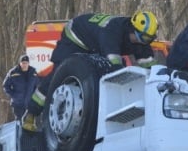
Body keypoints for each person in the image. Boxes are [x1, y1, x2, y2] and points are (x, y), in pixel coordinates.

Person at [22, 11, 158, 132]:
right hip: (75, 36)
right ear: (133, 29)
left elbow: (150, 67)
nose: (145, 42)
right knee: (58, 74)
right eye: (144, 38)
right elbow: (114, 62)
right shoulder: (112, 31)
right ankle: (31, 113)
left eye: (149, 39)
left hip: (93, 44)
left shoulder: (140, 41)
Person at [2, 54, 39, 120]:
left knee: (29, 124)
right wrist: (14, 95)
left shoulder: (34, 73)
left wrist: (33, 97)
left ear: (28, 63)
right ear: (20, 63)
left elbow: (37, 86)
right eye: (23, 63)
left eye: (26, 63)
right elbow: (5, 85)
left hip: (29, 104)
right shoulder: (13, 72)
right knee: (19, 123)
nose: (24, 65)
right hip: (18, 104)